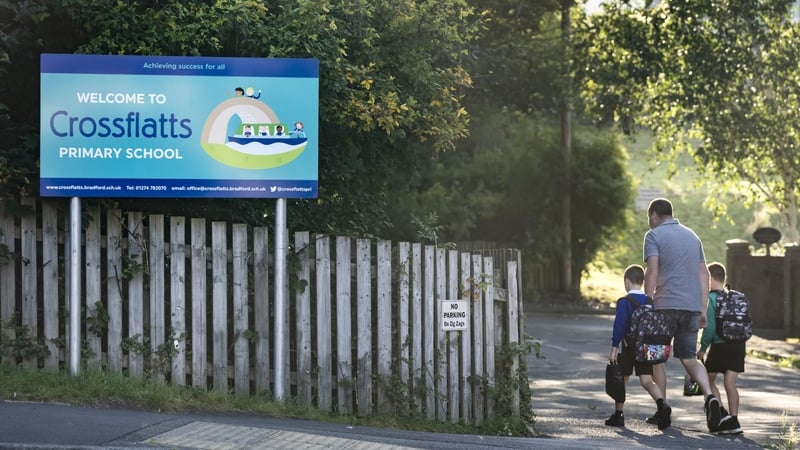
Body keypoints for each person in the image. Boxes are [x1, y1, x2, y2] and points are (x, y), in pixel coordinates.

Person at [643, 198, 723, 433]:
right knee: (689, 357)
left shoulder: (654, 236)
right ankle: (709, 396)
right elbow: (704, 274)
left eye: (650, 218)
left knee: (658, 357)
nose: (650, 223)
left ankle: (663, 409)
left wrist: (648, 300)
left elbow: (653, 270)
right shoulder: (692, 236)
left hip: (664, 305)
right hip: (691, 306)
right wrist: (702, 307)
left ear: (655, 215)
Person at [606, 264, 671, 429]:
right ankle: (662, 405)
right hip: (645, 348)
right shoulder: (650, 301)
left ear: (627, 281)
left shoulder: (624, 302)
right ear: (642, 282)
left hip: (628, 347)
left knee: (622, 380)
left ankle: (618, 415)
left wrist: (614, 347)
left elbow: (619, 325)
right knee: (647, 381)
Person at [697, 262, 745, 434]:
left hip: (720, 345)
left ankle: (721, 413)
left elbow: (709, 328)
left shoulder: (710, 299)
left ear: (709, 279)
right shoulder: (733, 297)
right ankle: (734, 420)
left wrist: (702, 348)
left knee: (707, 380)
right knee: (730, 383)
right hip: (739, 345)